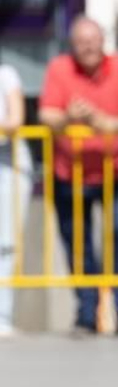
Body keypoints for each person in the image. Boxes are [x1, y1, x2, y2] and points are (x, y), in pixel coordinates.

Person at [38, 17, 118, 336]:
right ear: (72, 45)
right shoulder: (59, 69)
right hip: (69, 174)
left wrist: (106, 123)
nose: (88, 46)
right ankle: (87, 317)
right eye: (81, 41)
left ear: (103, 41)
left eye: (93, 40)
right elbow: (46, 114)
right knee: (78, 246)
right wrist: (69, 118)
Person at [0, 61, 31, 337]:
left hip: (9, 166)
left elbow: (15, 119)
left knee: (5, 244)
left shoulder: (6, 73)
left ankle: (3, 316)